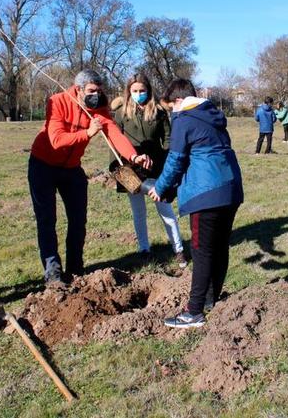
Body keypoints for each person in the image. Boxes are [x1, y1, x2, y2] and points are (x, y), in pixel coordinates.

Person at [28, 69, 151, 286]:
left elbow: (114, 133)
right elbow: (56, 139)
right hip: (43, 166)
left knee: (78, 220)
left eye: (100, 90)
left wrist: (133, 155)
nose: (97, 95)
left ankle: (75, 270)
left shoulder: (99, 108)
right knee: (47, 220)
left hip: (72, 168)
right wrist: (87, 133)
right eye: (92, 90)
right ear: (78, 89)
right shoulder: (57, 102)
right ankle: (53, 274)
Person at [148, 78, 243, 329]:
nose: (171, 114)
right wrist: (171, 188)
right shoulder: (211, 115)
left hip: (207, 195)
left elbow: (176, 159)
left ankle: (193, 312)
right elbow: (199, 156)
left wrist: (160, 187)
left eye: (170, 108)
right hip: (230, 189)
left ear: (178, 101)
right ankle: (211, 299)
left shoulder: (184, 118)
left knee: (201, 252)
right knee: (220, 247)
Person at [111, 73, 187, 267]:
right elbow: (114, 141)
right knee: (138, 212)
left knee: (165, 209)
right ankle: (144, 249)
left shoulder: (159, 111)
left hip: (156, 168)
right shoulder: (121, 112)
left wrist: (166, 161)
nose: (138, 94)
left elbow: (169, 138)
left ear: (148, 90)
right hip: (129, 169)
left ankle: (178, 249)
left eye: (142, 90)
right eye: (134, 91)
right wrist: (118, 170)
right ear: (129, 92)